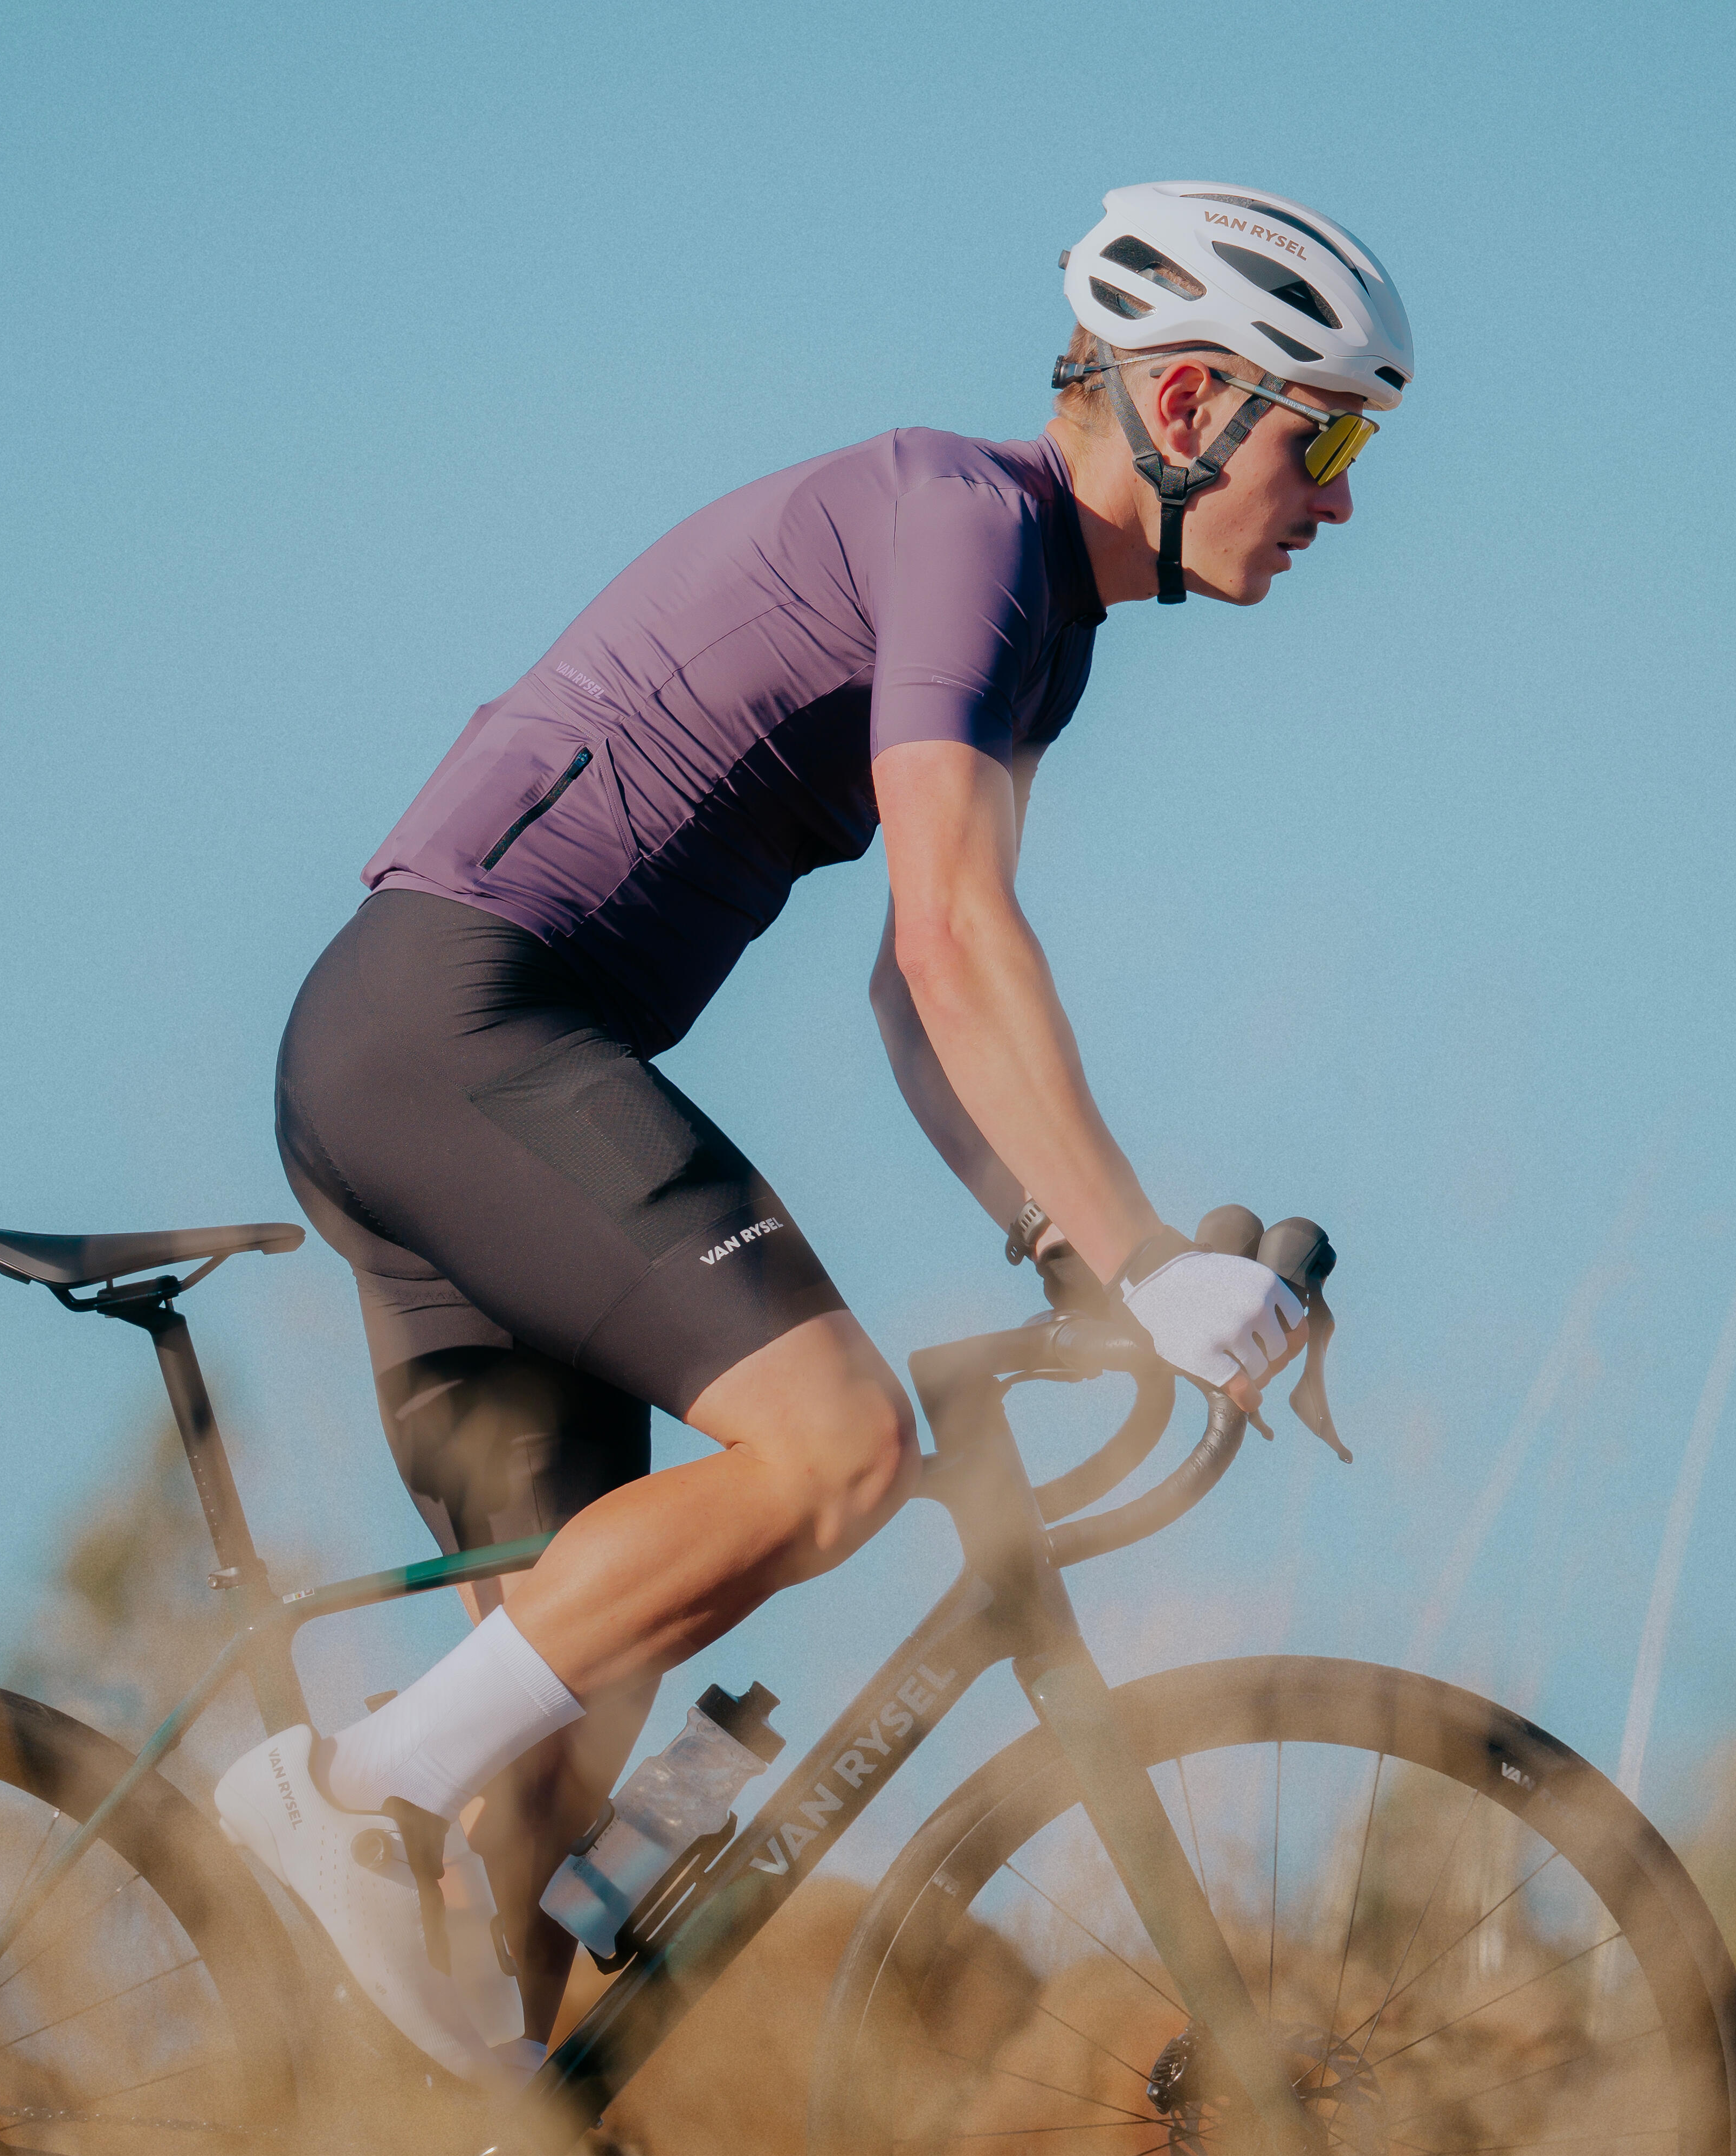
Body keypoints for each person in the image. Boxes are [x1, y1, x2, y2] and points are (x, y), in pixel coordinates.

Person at [213, 179, 1413, 2081]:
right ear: (1187, 407)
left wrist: (1064, 1246)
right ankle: (347, 1789)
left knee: (568, 1735)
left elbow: (896, 997)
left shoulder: (1045, 628)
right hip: (465, 1031)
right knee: (838, 1448)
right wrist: (1150, 1258)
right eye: (1327, 432)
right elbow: (948, 935)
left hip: (422, 1059)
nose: (1344, 496)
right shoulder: (969, 524)